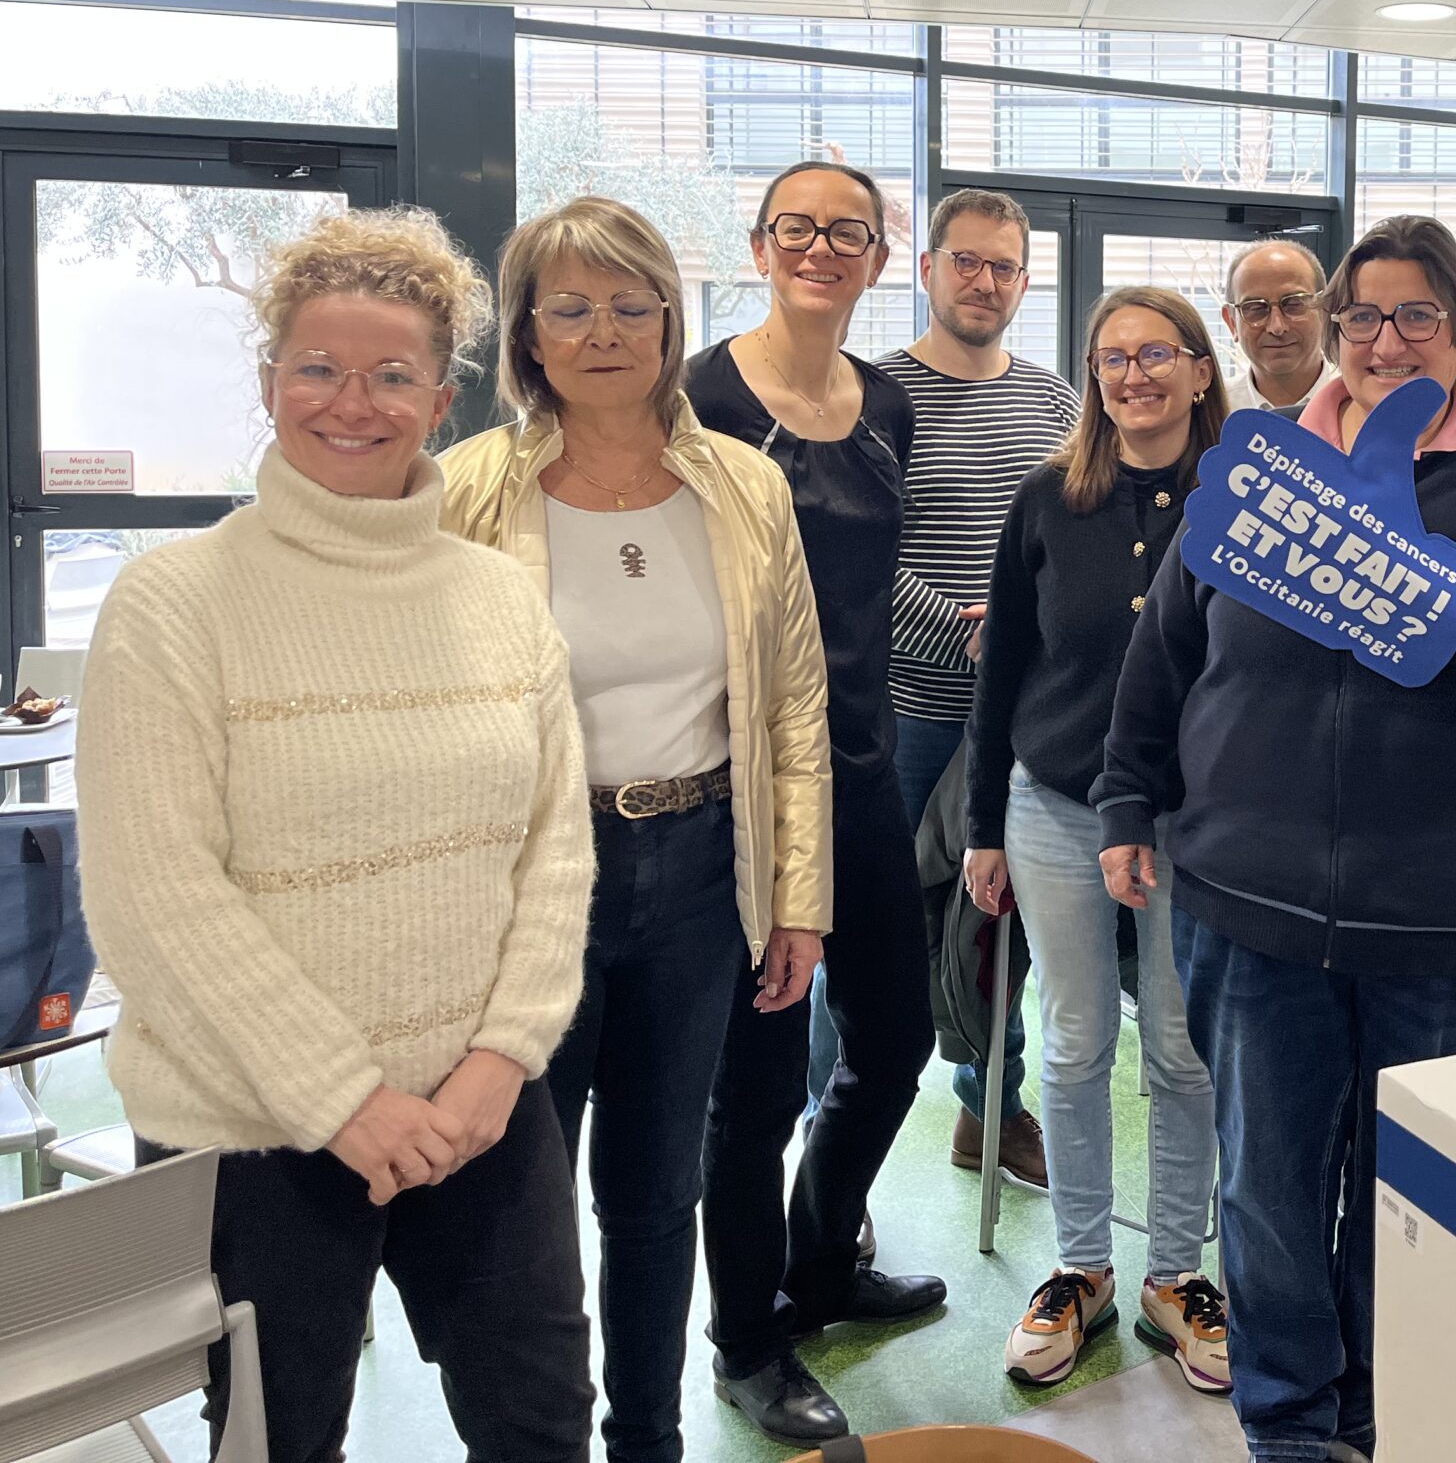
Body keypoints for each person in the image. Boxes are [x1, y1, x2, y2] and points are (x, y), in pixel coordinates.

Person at [79, 208, 596, 1463]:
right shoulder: (172, 604)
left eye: (392, 374)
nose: (350, 402)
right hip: (254, 1127)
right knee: (277, 1434)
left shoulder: (497, 599)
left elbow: (555, 847)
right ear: (268, 383)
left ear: (441, 396)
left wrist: (498, 1064)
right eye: (317, 367)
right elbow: (154, 899)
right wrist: (344, 1101)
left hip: (481, 1111)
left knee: (539, 1416)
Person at [1094, 215, 1456, 1463]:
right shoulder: (1262, 471)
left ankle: (1388, 1403)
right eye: (1361, 315)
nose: (1383, 338)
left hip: (1448, 921)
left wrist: (1402, 562)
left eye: (1416, 314)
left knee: (1411, 1199)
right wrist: (1123, 797)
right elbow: (1165, 656)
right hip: (1248, 901)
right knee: (1263, 1189)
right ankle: (1291, 1423)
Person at [442, 195, 833, 1463]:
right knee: (520, 1202)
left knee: (660, 1196)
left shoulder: (742, 486)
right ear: (528, 334)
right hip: (532, 886)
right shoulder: (462, 493)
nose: (602, 331)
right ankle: (531, 1440)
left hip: (697, 870)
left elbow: (790, 708)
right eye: (569, 307)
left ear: (670, 320)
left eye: (630, 303)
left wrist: (797, 896)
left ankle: (648, 1438)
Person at [686, 160, 944, 1445]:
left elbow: (869, 584)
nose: (824, 249)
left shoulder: (889, 399)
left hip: (862, 766)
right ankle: (746, 1340)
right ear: (759, 244)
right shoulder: (702, 397)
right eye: (800, 228)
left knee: (896, 1042)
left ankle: (821, 1258)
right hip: (737, 786)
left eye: (850, 232)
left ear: (878, 254)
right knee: (756, 1084)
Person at [962, 287, 1233, 1394]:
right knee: (1073, 1046)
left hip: (1195, 822)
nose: (1135, 375)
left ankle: (1177, 1273)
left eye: (1158, 354)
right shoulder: (1045, 500)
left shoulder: (1241, 505)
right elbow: (1002, 679)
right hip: (1055, 809)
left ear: (1200, 373)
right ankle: (1081, 1270)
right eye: (1112, 357)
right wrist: (985, 826)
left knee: (1178, 1050)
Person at [880, 184, 1077, 1188]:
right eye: (966, 260)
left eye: (1003, 266)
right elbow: (858, 548)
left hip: (1027, 726)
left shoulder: (1055, 402)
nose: (984, 281)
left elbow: (1078, 543)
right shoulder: (875, 394)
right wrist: (967, 631)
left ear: (1023, 280)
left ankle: (986, 1112)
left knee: (1003, 935)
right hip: (914, 713)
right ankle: (840, 1176)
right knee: (883, 939)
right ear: (928, 268)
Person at [1220, 238, 1328, 411]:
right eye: (1256, 308)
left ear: (1324, 309)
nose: (1277, 327)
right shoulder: (1212, 413)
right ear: (1231, 322)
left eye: (1293, 304)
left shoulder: (1363, 405)